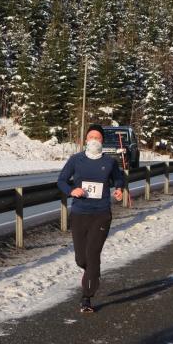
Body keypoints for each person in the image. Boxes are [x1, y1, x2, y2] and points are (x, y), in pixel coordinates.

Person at [57, 124, 125, 314]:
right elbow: (61, 181)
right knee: (82, 259)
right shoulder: (75, 160)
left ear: (103, 141)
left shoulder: (109, 162)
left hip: (101, 213)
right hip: (79, 213)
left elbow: (118, 179)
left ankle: (86, 298)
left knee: (93, 254)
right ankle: (93, 272)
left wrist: (119, 189)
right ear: (85, 140)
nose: (94, 140)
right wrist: (72, 190)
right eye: (91, 137)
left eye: (98, 137)